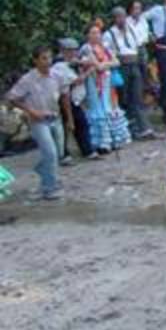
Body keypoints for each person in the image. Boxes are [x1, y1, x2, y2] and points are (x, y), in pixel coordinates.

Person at [5, 46, 66, 199]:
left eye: (49, 58)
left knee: (57, 153)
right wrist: (31, 111)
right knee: (50, 153)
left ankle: (44, 171)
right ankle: (49, 188)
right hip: (38, 121)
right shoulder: (28, 79)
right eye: (44, 58)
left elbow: (64, 95)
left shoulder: (57, 76)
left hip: (55, 117)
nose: (48, 61)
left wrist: (69, 119)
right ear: (35, 60)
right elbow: (11, 98)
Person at [104, 6, 156, 140]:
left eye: (122, 16)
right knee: (124, 98)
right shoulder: (109, 34)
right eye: (118, 17)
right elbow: (107, 52)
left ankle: (144, 128)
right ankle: (129, 129)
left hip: (135, 63)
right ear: (114, 19)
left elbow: (138, 44)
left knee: (137, 96)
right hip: (121, 65)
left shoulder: (131, 29)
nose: (121, 19)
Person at [79, 22, 132, 154]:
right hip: (94, 83)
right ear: (87, 35)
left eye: (98, 32)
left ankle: (114, 139)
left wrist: (105, 64)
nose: (96, 35)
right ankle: (101, 142)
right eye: (93, 33)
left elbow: (116, 62)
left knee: (110, 108)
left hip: (107, 82)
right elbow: (98, 66)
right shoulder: (86, 48)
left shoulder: (104, 47)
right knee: (98, 109)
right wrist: (106, 64)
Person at [52, 38, 97, 161]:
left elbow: (93, 63)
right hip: (61, 99)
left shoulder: (74, 62)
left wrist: (81, 63)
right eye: (69, 50)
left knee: (81, 123)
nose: (72, 53)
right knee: (65, 126)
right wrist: (85, 74)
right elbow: (75, 81)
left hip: (74, 99)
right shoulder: (58, 66)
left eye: (74, 50)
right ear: (63, 51)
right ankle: (63, 154)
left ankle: (87, 150)